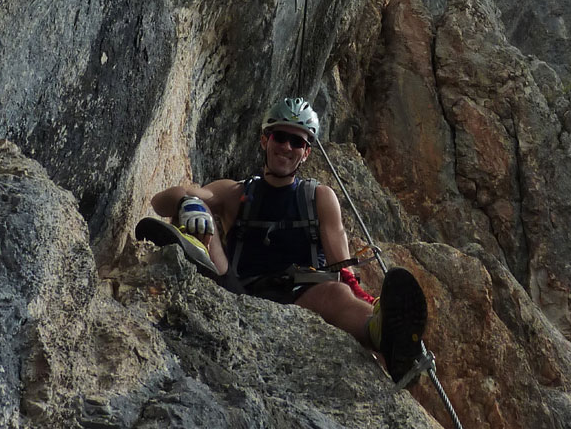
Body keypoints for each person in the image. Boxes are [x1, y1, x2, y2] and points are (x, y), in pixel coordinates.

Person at [136, 96, 428, 384]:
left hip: (301, 292)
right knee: (197, 213)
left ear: (306, 153)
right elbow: (162, 202)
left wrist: (367, 301)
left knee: (335, 293)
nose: (287, 147)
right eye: (280, 137)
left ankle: (383, 333)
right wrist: (189, 203)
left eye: (297, 142)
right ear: (265, 140)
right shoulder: (235, 192)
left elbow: (343, 271)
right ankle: (194, 248)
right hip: (237, 289)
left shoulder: (319, 197)